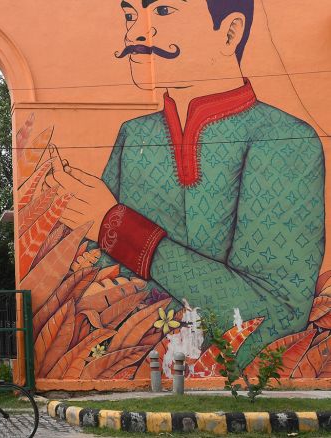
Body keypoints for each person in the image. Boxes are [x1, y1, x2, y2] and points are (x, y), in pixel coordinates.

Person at [45, 0, 324, 367]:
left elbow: (275, 314)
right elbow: (97, 278)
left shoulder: (284, 140)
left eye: (162, 11)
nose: (135, 34)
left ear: (230, 32)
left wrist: (117, 226)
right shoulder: (135, 135)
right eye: (131, 15)